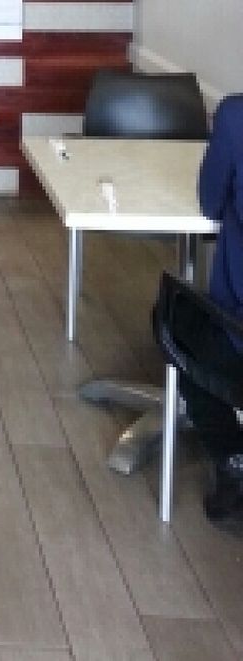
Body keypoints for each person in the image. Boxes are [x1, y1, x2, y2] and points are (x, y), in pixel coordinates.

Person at [180, 94, 243, 522]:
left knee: (179, 324)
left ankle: (233, 458)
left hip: (236, 331)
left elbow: (210, 203)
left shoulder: (237, 117)